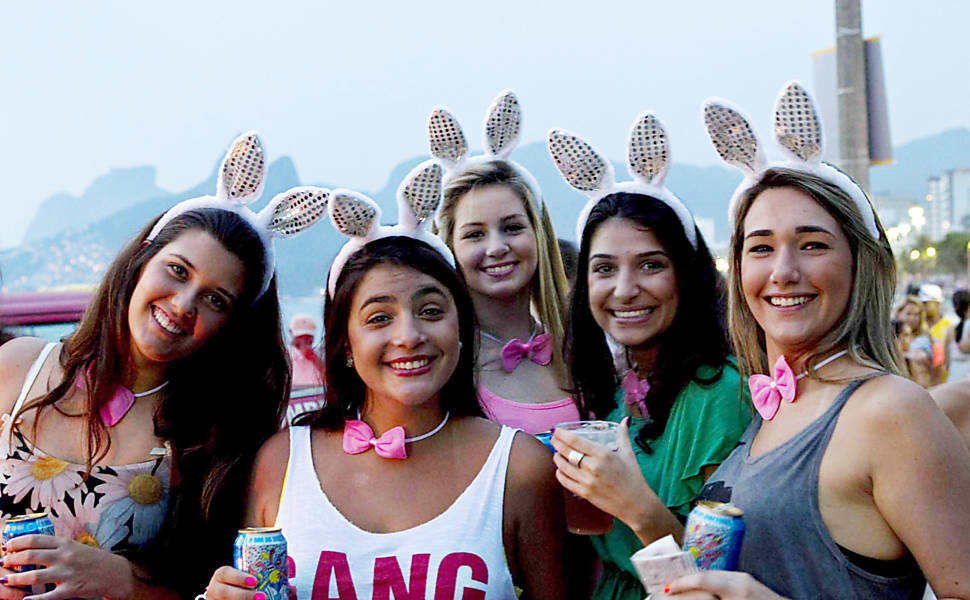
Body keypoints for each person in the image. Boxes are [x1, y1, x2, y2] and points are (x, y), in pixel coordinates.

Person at [204, 167, 567, 599]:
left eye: (431, 311)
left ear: (460, 330)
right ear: (345, 345)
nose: (408, 336)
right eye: (379, 318)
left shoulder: (520, 467)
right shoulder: (282, 461)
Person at [668, 82, 970, 599]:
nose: (783, 272)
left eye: (812, 245)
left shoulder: (890, 411)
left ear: (859, 263)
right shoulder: (773, 402)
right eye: (760, 248)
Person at [0, 132, 328, 599]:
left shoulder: (215, 437)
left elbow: (213, 584)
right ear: (141, 261)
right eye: (177, 271)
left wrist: (124, 580)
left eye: (215, 299)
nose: (183, 304)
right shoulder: (17, 369)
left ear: (229, 326)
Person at [544, 114, 750, 600]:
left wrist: (636, 506)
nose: (625, 290)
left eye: (650, 265)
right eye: (604, 269)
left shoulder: (720, 394)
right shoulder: (618, 389)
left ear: (688, 275)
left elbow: (715, 588)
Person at [430, 91, 576, 435]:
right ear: (448, 247)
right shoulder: (443, 369)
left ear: (538, 235)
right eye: (474, 235)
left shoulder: (582, 353)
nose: (497, 248)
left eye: (512, 228)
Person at [894, 295, 933, 387]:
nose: (913, 318)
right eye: (909, 314)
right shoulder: (890, 337)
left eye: (916, 315)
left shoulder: (925, 337)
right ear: (899, 313)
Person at [920, 283, 952, 384]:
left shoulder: (949, 327)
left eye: (926, 303)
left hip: (943, 382)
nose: (923, 306)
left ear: (937, 303)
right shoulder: (918, 326)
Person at [287, 313, 323, 388]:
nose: (305, 339)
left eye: (309, 335)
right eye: (301, 336)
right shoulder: (285, 357)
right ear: (291, 333)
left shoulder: (319, 356)